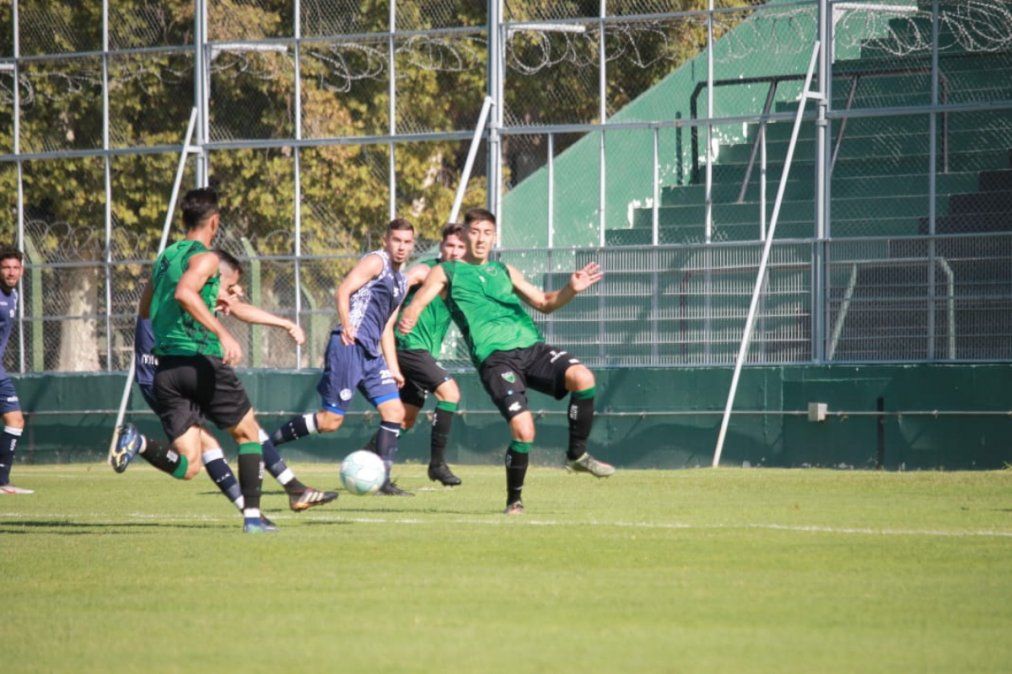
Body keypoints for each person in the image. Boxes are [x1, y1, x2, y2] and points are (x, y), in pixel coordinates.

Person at [398, 208, 614, 515]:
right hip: (496, 360)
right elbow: (420, 300)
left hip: (531, 348)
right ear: (464, 235)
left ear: (494, 236)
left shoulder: (505, 271)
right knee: (524, 430)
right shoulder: (448, 272)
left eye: (487, 233)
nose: (481, 239)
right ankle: (514, 500)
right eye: (474, 232)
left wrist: (571, 289)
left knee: (583, 378)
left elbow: (544, 303)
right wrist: (410, 315)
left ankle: (576, 455)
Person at [112, 249, 337, 513]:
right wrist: (283, 324)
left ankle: (284, 495)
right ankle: (270, 504)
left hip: (163, 373)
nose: (235, 291)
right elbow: (236, 308)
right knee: (234, 436)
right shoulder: (190, 289)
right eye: (230, 285)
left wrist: (237, 301)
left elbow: (228, 305)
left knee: (203, 455)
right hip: (173, 372)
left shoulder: (176, 278)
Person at [112, 187, 276, 533]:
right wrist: (222, 333)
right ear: (214, 222)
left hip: (166, 371)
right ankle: (252, 519)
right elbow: (186, 293)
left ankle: (139, 442)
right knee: (248, 434)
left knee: (189, 464)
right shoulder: (207, 258)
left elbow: (145, 308)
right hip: (198, 361)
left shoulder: (165, 258)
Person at [269, 219, 415, 495]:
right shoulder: (376, 262)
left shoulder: (402, 282)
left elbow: (386, 328)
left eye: (407, 242)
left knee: (395, 412)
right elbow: (344, 290)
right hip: (349, 344)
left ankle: (383, 480)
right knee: (329, 422)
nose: (401, 247)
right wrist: (347, 323)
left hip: (371, 355)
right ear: (386, 240)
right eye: (396, 240)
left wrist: (393, 368)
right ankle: (265, 445)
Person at [360, 222, 466, 486]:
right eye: (450, 245)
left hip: (423, 352)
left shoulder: (464, 279)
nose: (454, 252)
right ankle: (437, 464)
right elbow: (394, 291)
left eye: (460, 247)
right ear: (441, 247)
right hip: (408, 347)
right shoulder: (424, 271)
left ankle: (364, 462)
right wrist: (387, 323)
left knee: (404, 418)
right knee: (450, 393)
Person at [0, 247, 29, 495]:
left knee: (15, 420)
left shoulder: (15, 295)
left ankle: (2, 481)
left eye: (15, 268)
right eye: (6, 267)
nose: (11, 272)